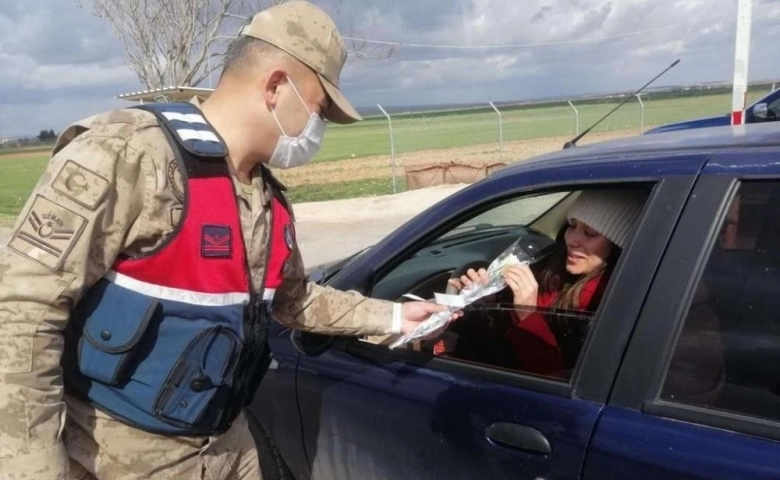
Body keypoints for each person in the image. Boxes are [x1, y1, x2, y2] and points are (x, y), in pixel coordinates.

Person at [0, 2, 456, 479]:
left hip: (228, 447)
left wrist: (395, 315)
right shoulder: (131, 153)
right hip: (118, 457)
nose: (317, 129)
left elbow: (294, 300)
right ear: (277, 86)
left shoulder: (267, 199)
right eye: (319, 110)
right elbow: (21, 314)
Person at [443, 189, 647, 376]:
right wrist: (489, 298)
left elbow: (554, 377)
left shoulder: (609, 303)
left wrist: (528, 313)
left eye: (591, 233)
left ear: (617, 245)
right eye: (572, 226)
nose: (572, 240)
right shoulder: (556, 274)